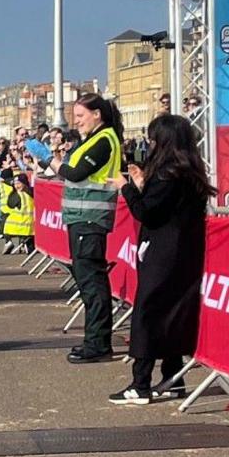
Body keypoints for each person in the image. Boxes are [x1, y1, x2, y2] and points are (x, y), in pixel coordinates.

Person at [110, 114, 211, 405]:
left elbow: (148, 213)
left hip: (163, 252)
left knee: (147, 314)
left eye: (154, 139)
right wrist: (142, 184)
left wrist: (126, 187)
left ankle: (140, 383)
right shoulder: (190, 171)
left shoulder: (168, 174)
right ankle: (173, 378)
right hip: (186, 252)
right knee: (174, 314)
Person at [58, 94, 126, 364]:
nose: (77, 122)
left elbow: (74, 173)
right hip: (82, 217)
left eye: (80, 116)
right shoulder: (92, 140)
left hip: (91, 217)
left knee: (92, 283)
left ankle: (98, 343)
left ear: (97, 114)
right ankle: (95, 340)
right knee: (88, 282)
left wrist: (56, 164)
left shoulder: (103, 141)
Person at [0, 160, 33, 254]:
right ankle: (25, 244)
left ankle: (8, 242)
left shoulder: (19, 195)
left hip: (20, 224)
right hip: (31, 225)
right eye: (15, 184)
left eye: (18, 184)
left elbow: (10, 203)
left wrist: (13, 190)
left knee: (5, 224)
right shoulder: (31, 192)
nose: (17, 186)